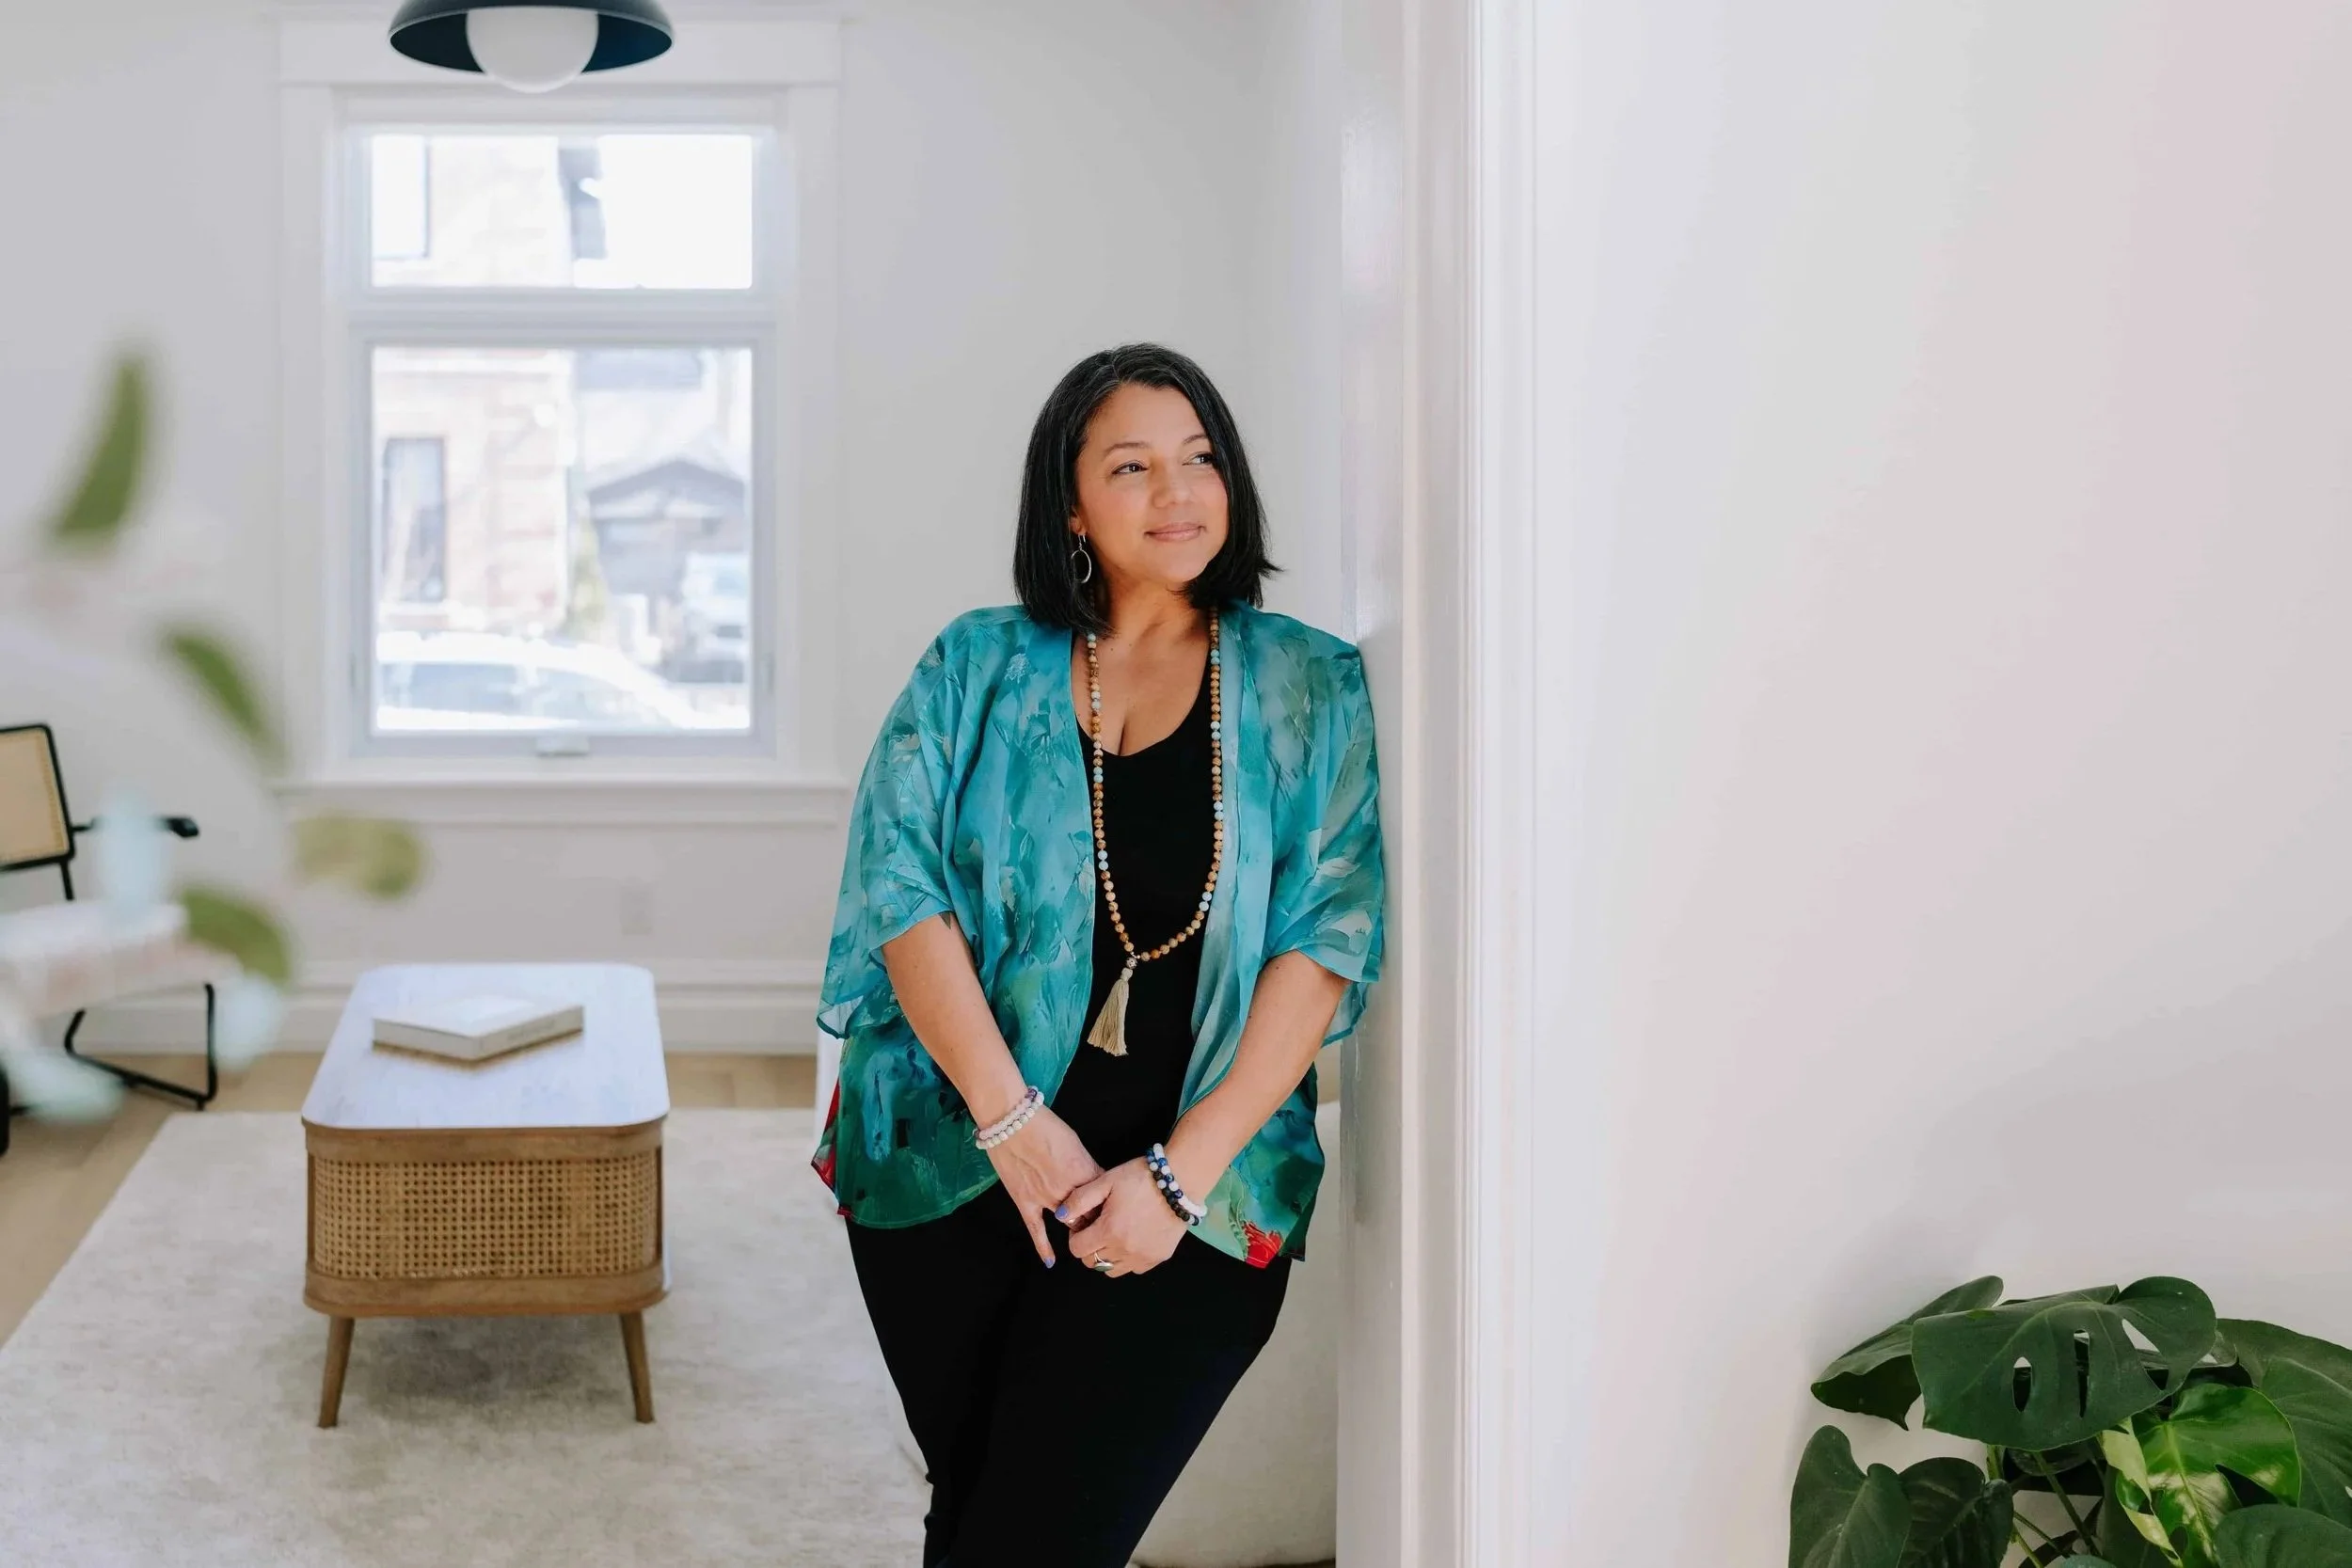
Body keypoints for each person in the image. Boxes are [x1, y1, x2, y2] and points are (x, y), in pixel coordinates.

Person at [814, 341, 1387, 1568]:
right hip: (947, 1161)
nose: (1179, 491)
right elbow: (896, 881)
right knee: (980, 1510)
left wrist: (1175, 1179)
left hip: (1200, 1188)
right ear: (1070, 503)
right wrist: (1013, 1122)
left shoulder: (1309, 682)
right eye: (1133, 465)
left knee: (1033, 1535)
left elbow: (1327, 939)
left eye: (1201, 459)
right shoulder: (976, 662)